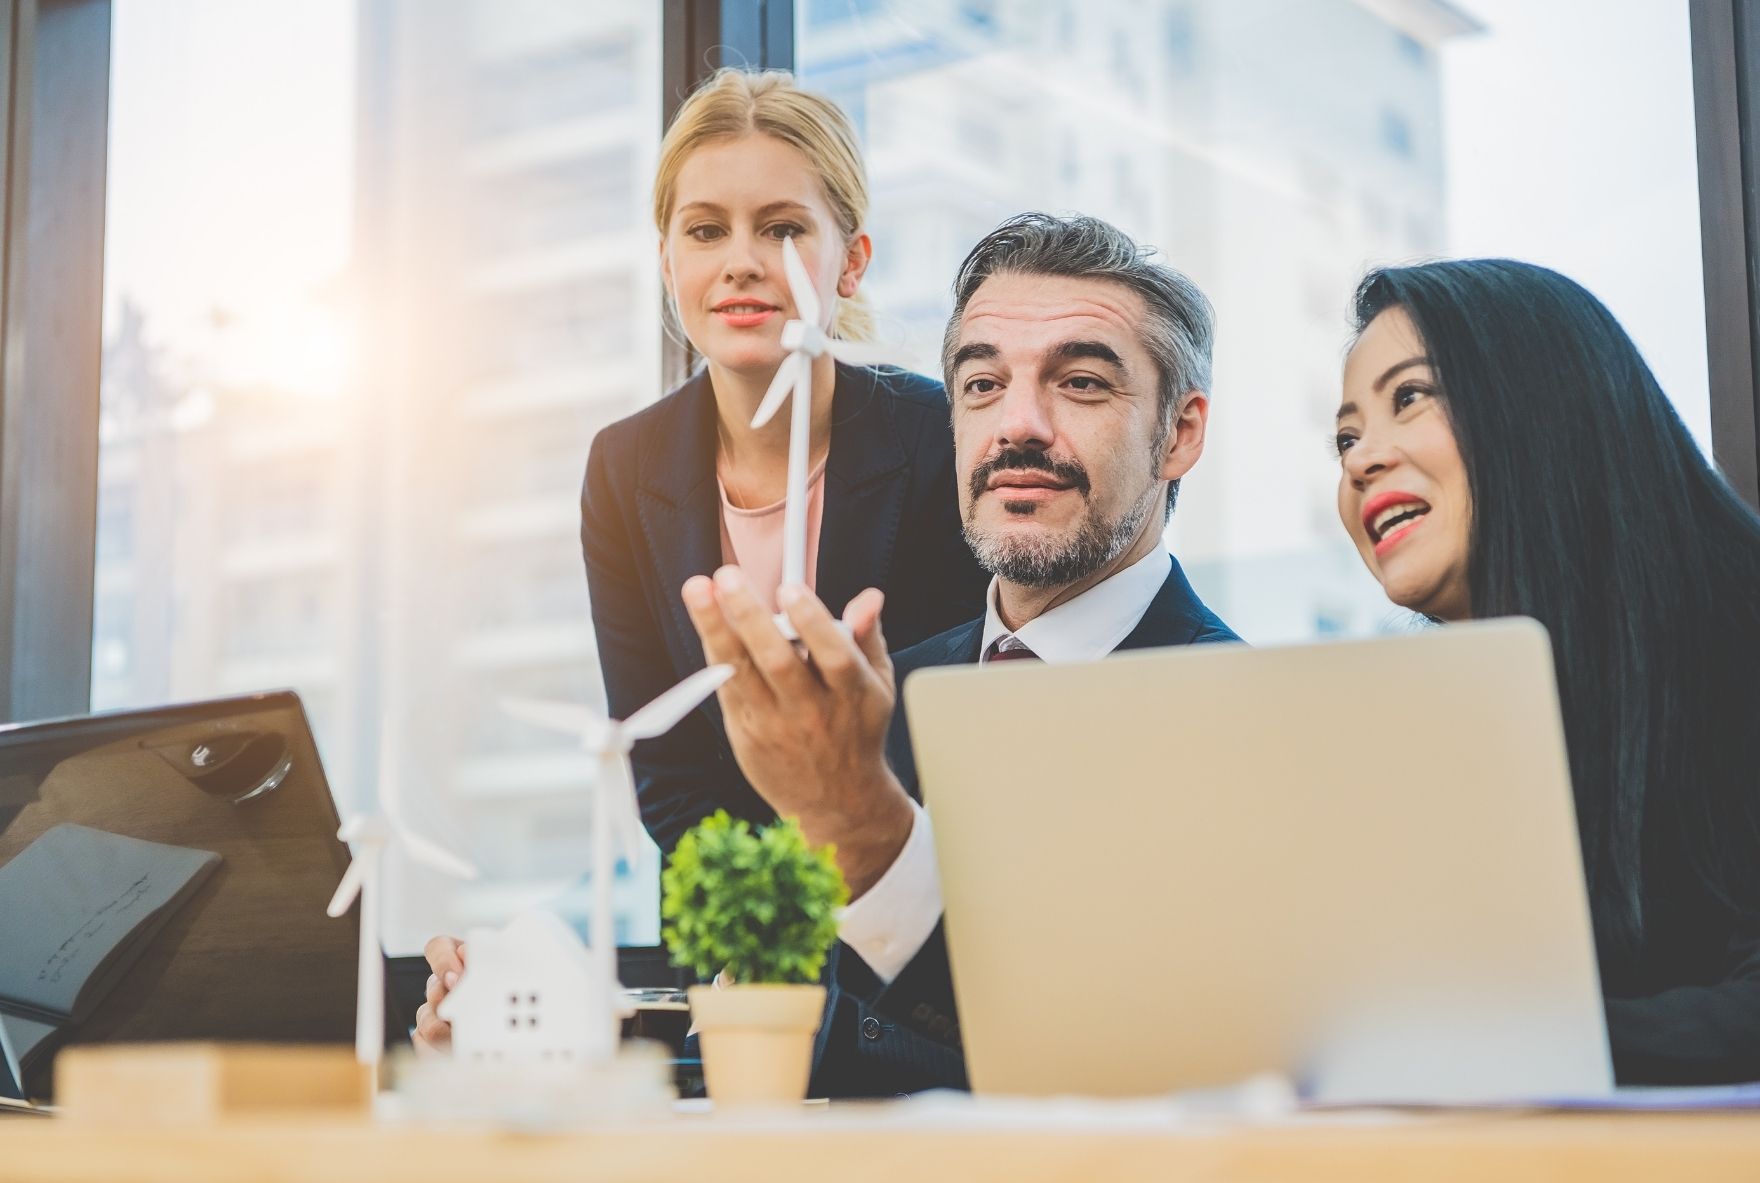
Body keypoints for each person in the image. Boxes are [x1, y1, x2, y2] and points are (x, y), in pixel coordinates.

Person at [412, 69, 985, 1053]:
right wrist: (751, 936)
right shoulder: (624, 468)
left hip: (927, 968)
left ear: (852, 262)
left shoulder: (941, 440)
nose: (743, 263)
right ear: (667, 259)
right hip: (739, 969)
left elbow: (952, 739)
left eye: (784, 228)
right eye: (706, 229)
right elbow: (665, 770)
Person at [681, 213, 1239, 1094]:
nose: (1018, 425)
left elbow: (1132, 1068)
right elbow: (806, 1037)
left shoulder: (1248, 721)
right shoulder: (877, 697)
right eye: (981, 384)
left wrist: (868, 835)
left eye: (1082, 382)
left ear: (1180, 433)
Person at [1334, 258, 1760, 1086]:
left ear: (1541, 398)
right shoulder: (1439, 730)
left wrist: (1496, 1046)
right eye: (1346, 437)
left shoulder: (1736, 624)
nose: (1360, 461)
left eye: (1409, 397)